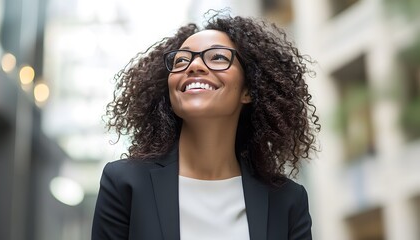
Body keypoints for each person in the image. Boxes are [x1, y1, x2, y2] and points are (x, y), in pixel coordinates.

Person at [92, 12, 320, 240]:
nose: (194, 66)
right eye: (181, 60)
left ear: (249, 90)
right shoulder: (125, 183)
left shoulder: (287, 201)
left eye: (218, 57)